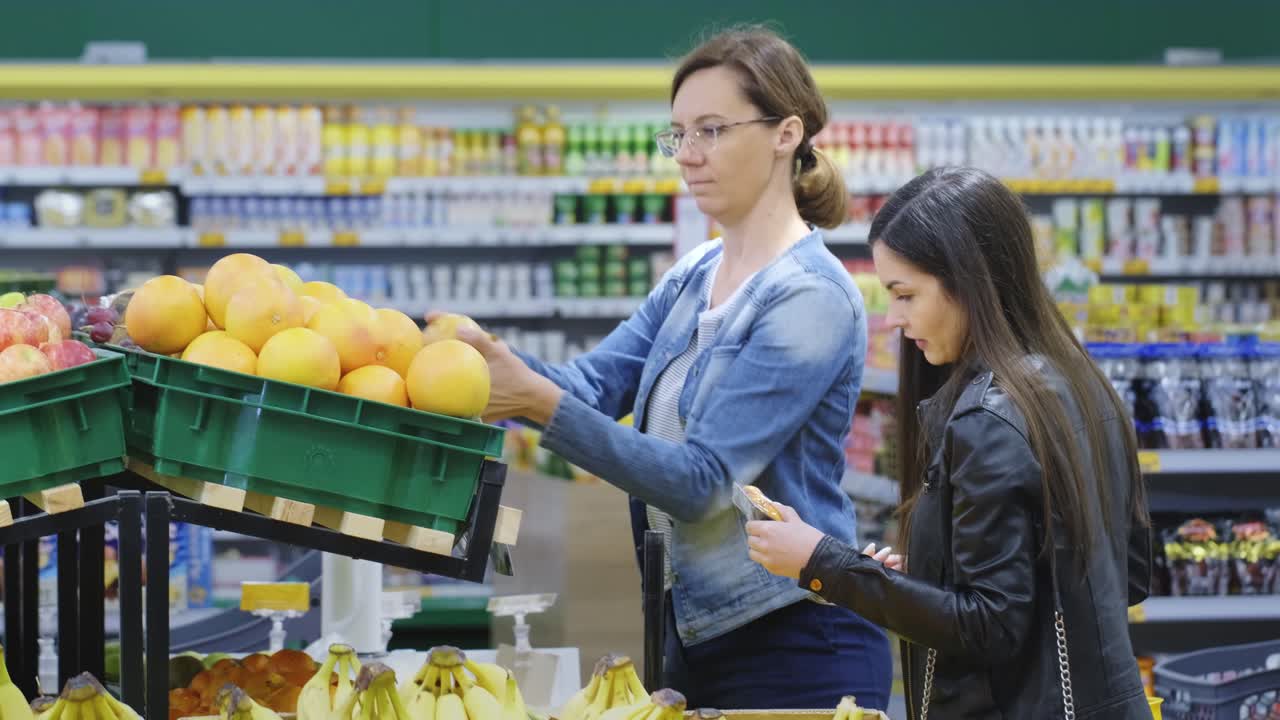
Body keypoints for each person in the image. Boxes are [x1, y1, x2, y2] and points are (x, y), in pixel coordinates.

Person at [438, 25, 891, 711]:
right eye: (677, 134)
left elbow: (704, 485)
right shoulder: (696, 273)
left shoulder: (809, 298)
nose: (687, 156)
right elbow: (591, 386)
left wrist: (534, 404)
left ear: (785, 133)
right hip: (693, 632)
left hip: (797, 641)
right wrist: (474, 358)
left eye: (710, 130)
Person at [746, 166, 1154, 719]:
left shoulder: (988, 418)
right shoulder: (1084, 387)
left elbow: (989, 626)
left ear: (967, 279)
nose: (894, 319)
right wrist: (939, 571)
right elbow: (1126, 575)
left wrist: (822, 564)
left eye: (906, 295)